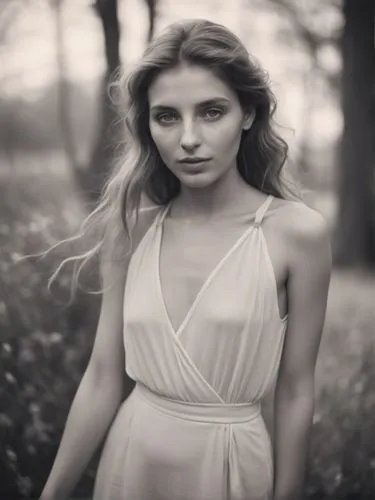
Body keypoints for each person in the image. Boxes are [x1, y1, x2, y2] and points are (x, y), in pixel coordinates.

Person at [40, 18, 332, 500]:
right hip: (131, 460)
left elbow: (296, 390)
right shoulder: (132, 229)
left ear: (248, 113)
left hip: (230, 466)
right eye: (167, 116)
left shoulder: (297, 233)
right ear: (147, 125)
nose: (188, 138)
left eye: (211, 112)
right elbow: (102, 377)